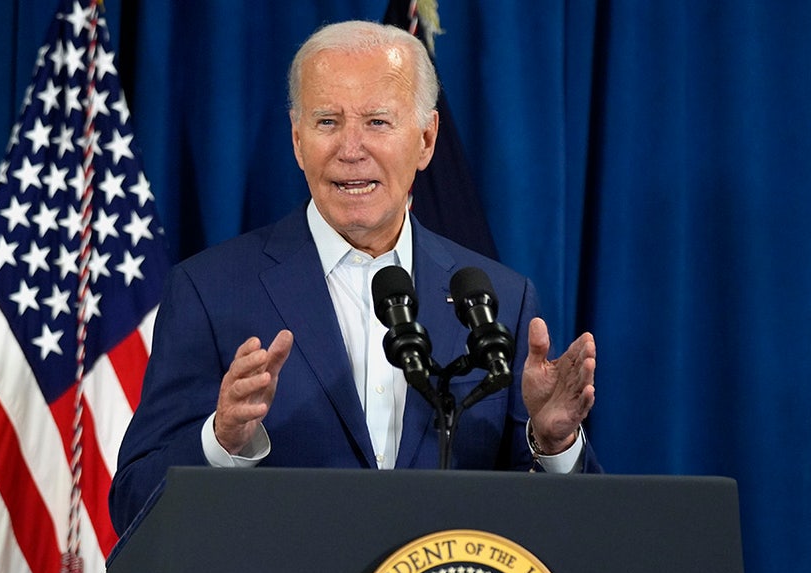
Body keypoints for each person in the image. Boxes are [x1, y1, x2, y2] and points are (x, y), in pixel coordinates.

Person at [108, 20, 599, 533]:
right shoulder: (210, 291)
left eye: (378, 122)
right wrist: (222, 441)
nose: (351, 148)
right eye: (327, 122)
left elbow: (573, 531)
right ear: (298, 141)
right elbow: (133, 503)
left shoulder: (499, 299)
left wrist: (555, 444)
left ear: (426, 139)